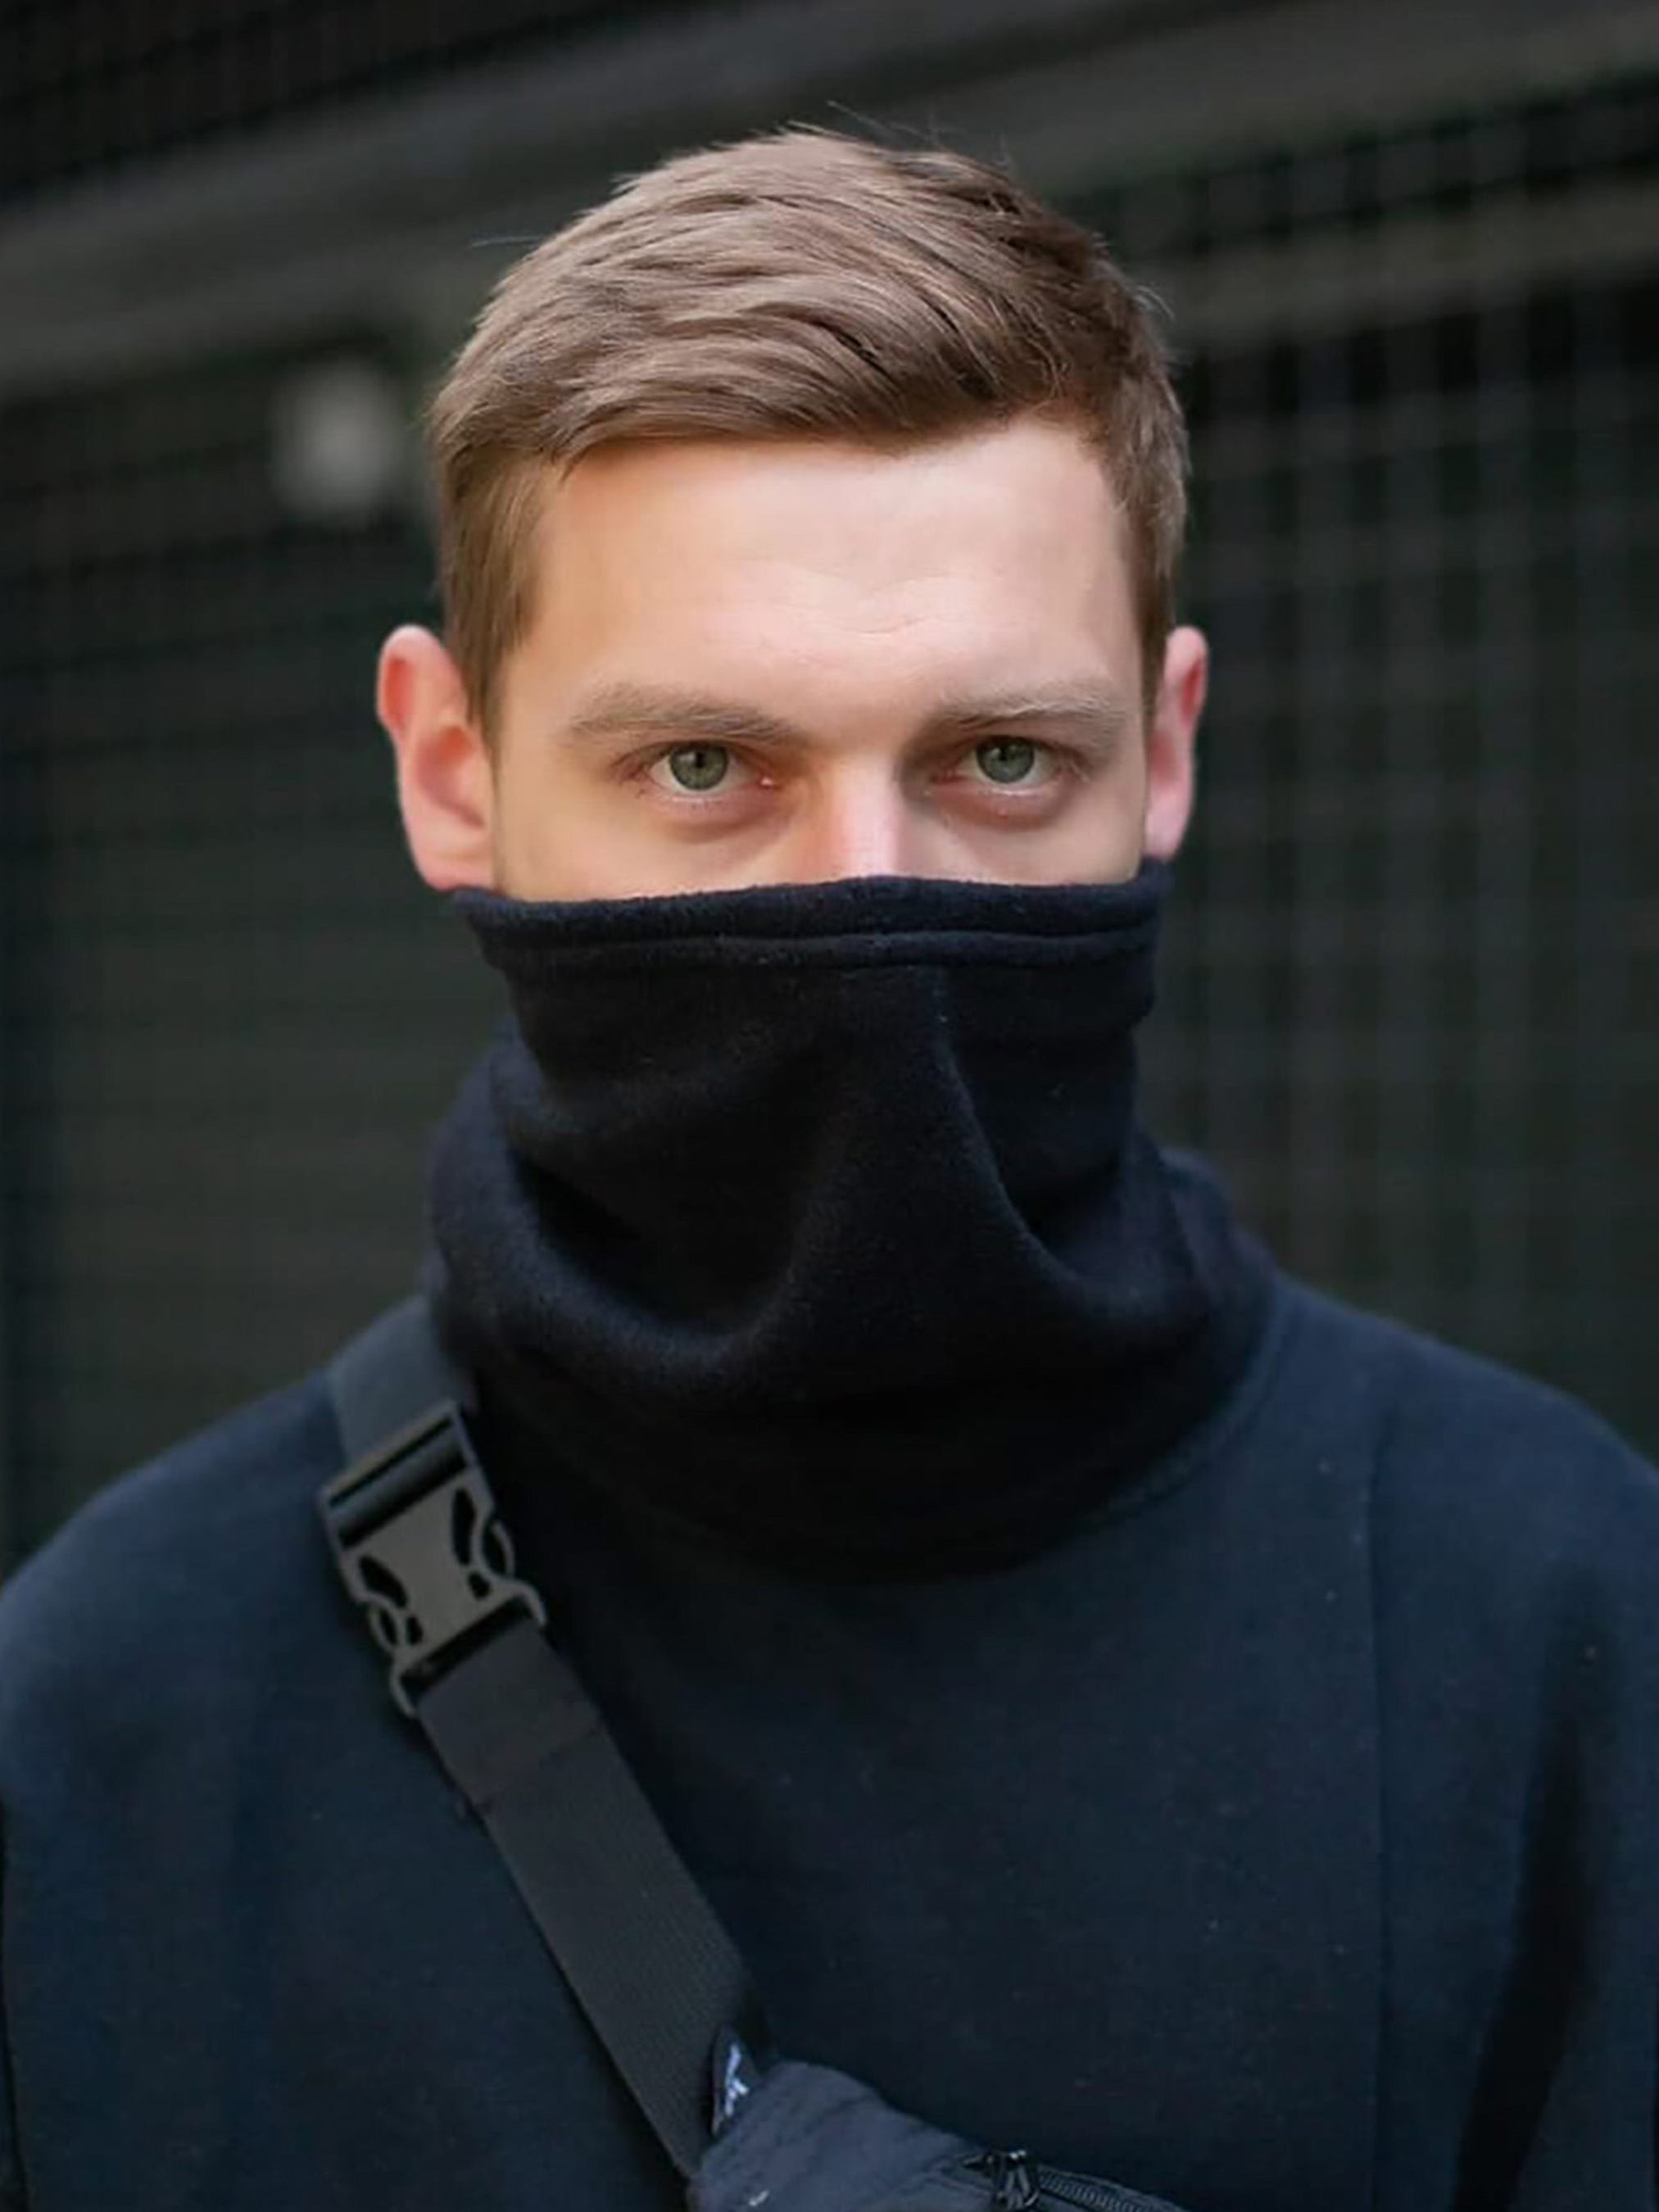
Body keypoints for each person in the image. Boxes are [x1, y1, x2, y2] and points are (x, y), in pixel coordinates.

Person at [0, 126, 1655, 2212]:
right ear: (452, 773)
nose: (864, 896)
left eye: (998, 760)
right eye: (703, 765)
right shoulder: (106, 1719)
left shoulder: (1566, 1630)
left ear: (1162, 752)